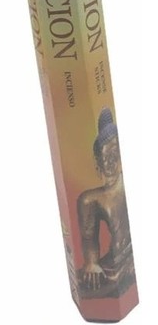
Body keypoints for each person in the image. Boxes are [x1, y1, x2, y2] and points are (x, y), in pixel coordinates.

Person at [77, 107, 135, 298]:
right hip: (113, 265)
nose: (109, 162)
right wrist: (92, 262)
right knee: (83, 283)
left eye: (114, 154)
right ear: (97, 163)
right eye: (104, 157)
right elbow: (88, 238)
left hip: (132, 257)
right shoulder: (91, 199)